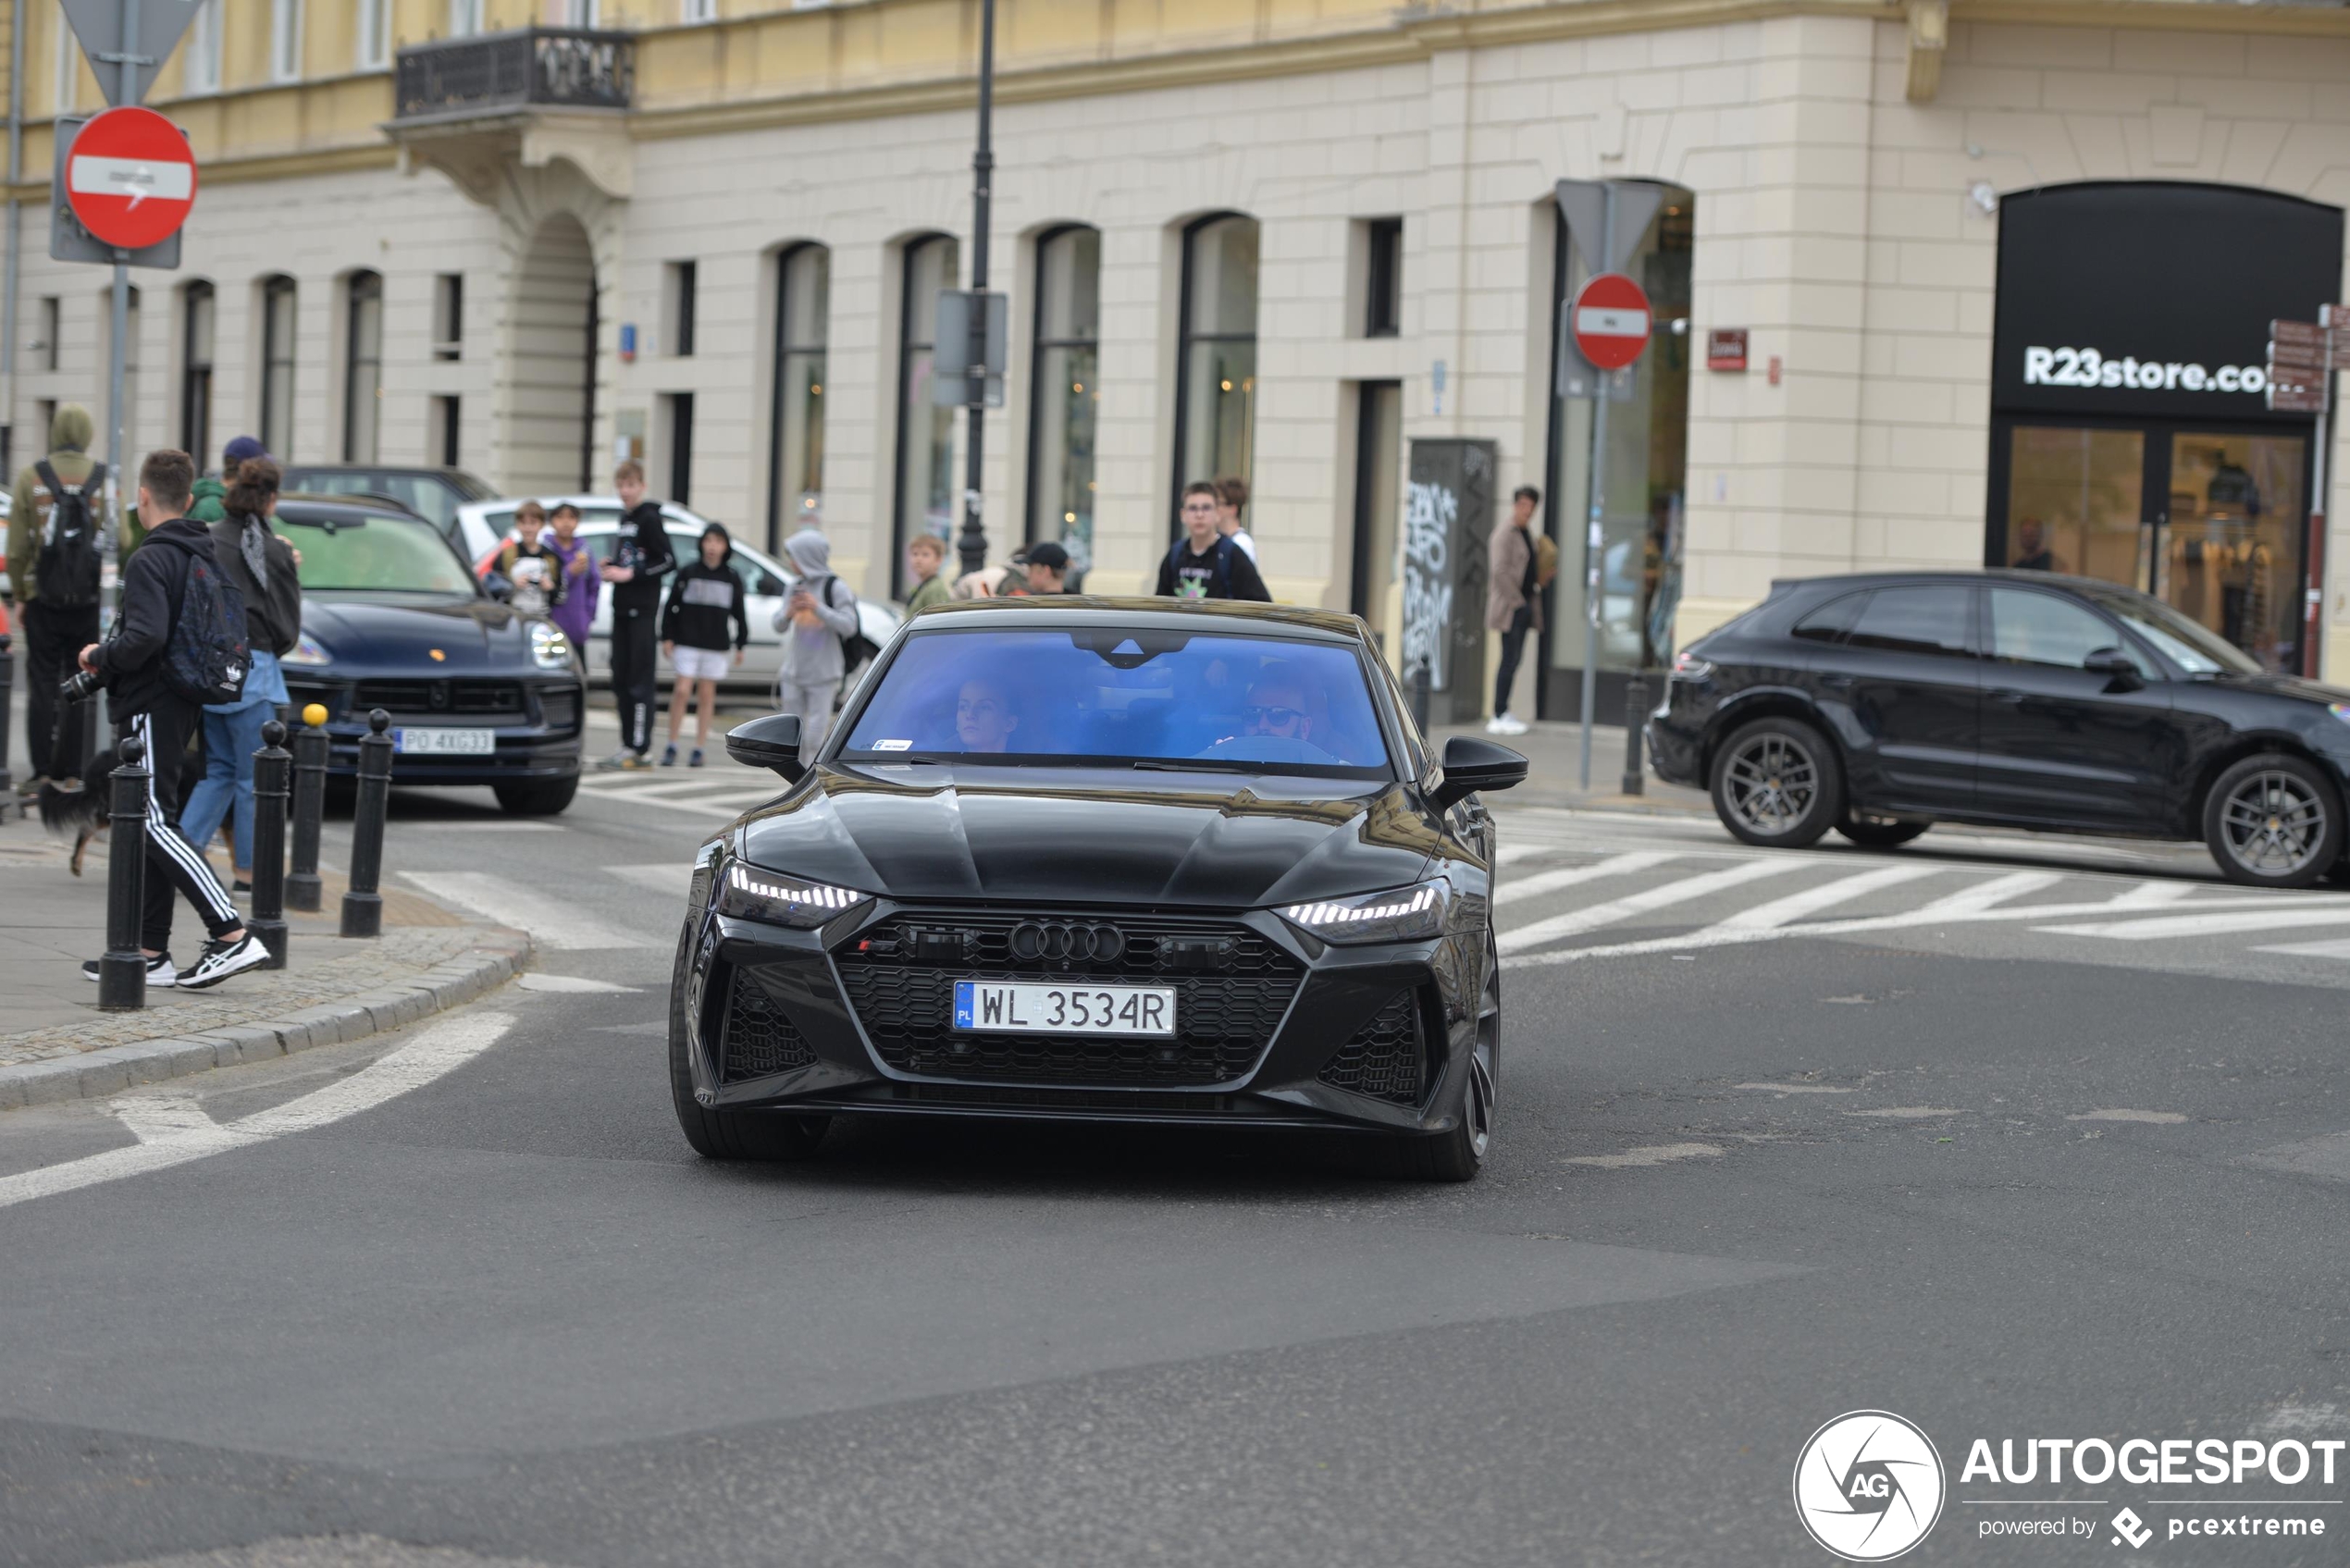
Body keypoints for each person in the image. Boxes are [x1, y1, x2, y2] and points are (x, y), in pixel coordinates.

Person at [74, 449, 266, 991]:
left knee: (154, 820)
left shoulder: (150, 559)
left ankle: (231, 933)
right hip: (183, 700)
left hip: (151, 700)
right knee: (150, 817)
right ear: (187, 500)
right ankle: (150, 950)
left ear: (142, 498)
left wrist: (100, 657)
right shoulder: (199, 552)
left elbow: (146, 638)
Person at [180, 457, 301, 891]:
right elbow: (288, 625)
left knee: (219, 773)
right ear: (269, 499)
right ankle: (249, 873)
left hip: (212, 670)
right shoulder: (275, 551)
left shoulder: (208, 540)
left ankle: (182, 854)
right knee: (255, 777)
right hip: (256, 668)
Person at [5, 403, 104, 795]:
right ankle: (73, 769)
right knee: (80, 678)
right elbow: (122, 541)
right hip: (89, 601)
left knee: (42, 682)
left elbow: (15, 549)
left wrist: (24, 595)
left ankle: (41, 771)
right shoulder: (103, 479)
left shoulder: (32, 477)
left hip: (43, 599)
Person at [597, 460, 674, 770]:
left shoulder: (650, 518)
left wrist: (631, 575)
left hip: (642, 610)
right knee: (621, 677)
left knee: (639, 681)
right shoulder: (625, 518)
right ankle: (627, 743)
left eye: (630, 485)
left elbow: (667, 560)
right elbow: (630, 556)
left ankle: (640, 748)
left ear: (642, 485)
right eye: (621, 486)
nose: (625, 492)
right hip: (621, 609)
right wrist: (611, 565)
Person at [660, 523, 748, 768]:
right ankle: (672, 744)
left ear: (726, 546)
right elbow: (671, 607)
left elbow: (739, 613)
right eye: (708, 540)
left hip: (715, 644)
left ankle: (699, 747)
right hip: (686, 641)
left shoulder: (731, 577)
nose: (712, 546)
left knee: (707, 695)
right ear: (701, 544)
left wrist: (741, 643)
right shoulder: (688, 572)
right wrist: (667, 636)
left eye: (718, 541)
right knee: (682, 690)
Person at [773, 527, 860, 762]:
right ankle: (795, 782)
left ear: (808, 556)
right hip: (794, 672)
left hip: (824, 673)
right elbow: (778, 625)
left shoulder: (836, 587)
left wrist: (817, 608)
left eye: (794, 556)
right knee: (792, 735)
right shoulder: (794, 586)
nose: (791, 562)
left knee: (815, 737)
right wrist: (789, 611)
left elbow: (849, 626)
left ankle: (812, 781)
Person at [1485, 484, 1544, 737]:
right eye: (1523, 505)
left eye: (1531, 507)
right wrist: (1518, 603)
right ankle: (1498, 713)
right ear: (1515, 505)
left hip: (1523, 604)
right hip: (1511, 607)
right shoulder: (1505, 534)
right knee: (1508, 659)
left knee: (1514, 659)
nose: (1527, 511)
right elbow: (1499, 571)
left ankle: (1503, 710)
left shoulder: (1526, 533)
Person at [1156, 481, 1271, 601]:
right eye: (1192, 508)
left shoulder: (1232, 555)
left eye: (1206, 508)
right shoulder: (1175, 554)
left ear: (1218, 513)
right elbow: (1159, 606)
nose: (1199, 515)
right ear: (1183, 515)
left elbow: (1261, 603)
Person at [498, 501, 567, 619]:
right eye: (523, 523)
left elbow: (562, 596)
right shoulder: (507, 555)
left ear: (542, 524)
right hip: (512, 618)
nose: (528, 528)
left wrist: (550, 588)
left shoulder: (551, 557)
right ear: (517, 525)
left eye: (533, 523)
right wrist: (512, 585)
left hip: (543, 618)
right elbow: (492, 590)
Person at [545, 501, 600, 653]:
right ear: (552, 521)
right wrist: (569, 573)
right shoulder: (546, 549)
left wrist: (588, 616)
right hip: (552, 624)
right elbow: (547, 585)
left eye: (571, 517)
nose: (566, 522)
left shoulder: (584, 549)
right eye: (560, 517)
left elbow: (594, 584)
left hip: (577, 625)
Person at [955, 677, 1019, 753]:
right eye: (964, 707)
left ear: (1009, 724)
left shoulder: (1031, 764)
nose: (970, 715)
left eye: (984, 707)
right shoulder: (939, 761)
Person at [1215, 475, 1260, 564]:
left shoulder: (1242, 543)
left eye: (1218, 503)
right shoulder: (1217, 539)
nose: (1213, 508)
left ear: (1232, 509)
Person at [904, 532, 953, 613]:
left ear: (938, 559)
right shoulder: (922, 586)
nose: (918, 559)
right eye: (915, 554)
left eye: (925, 555)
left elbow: (938, 618)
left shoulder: (935, 588)